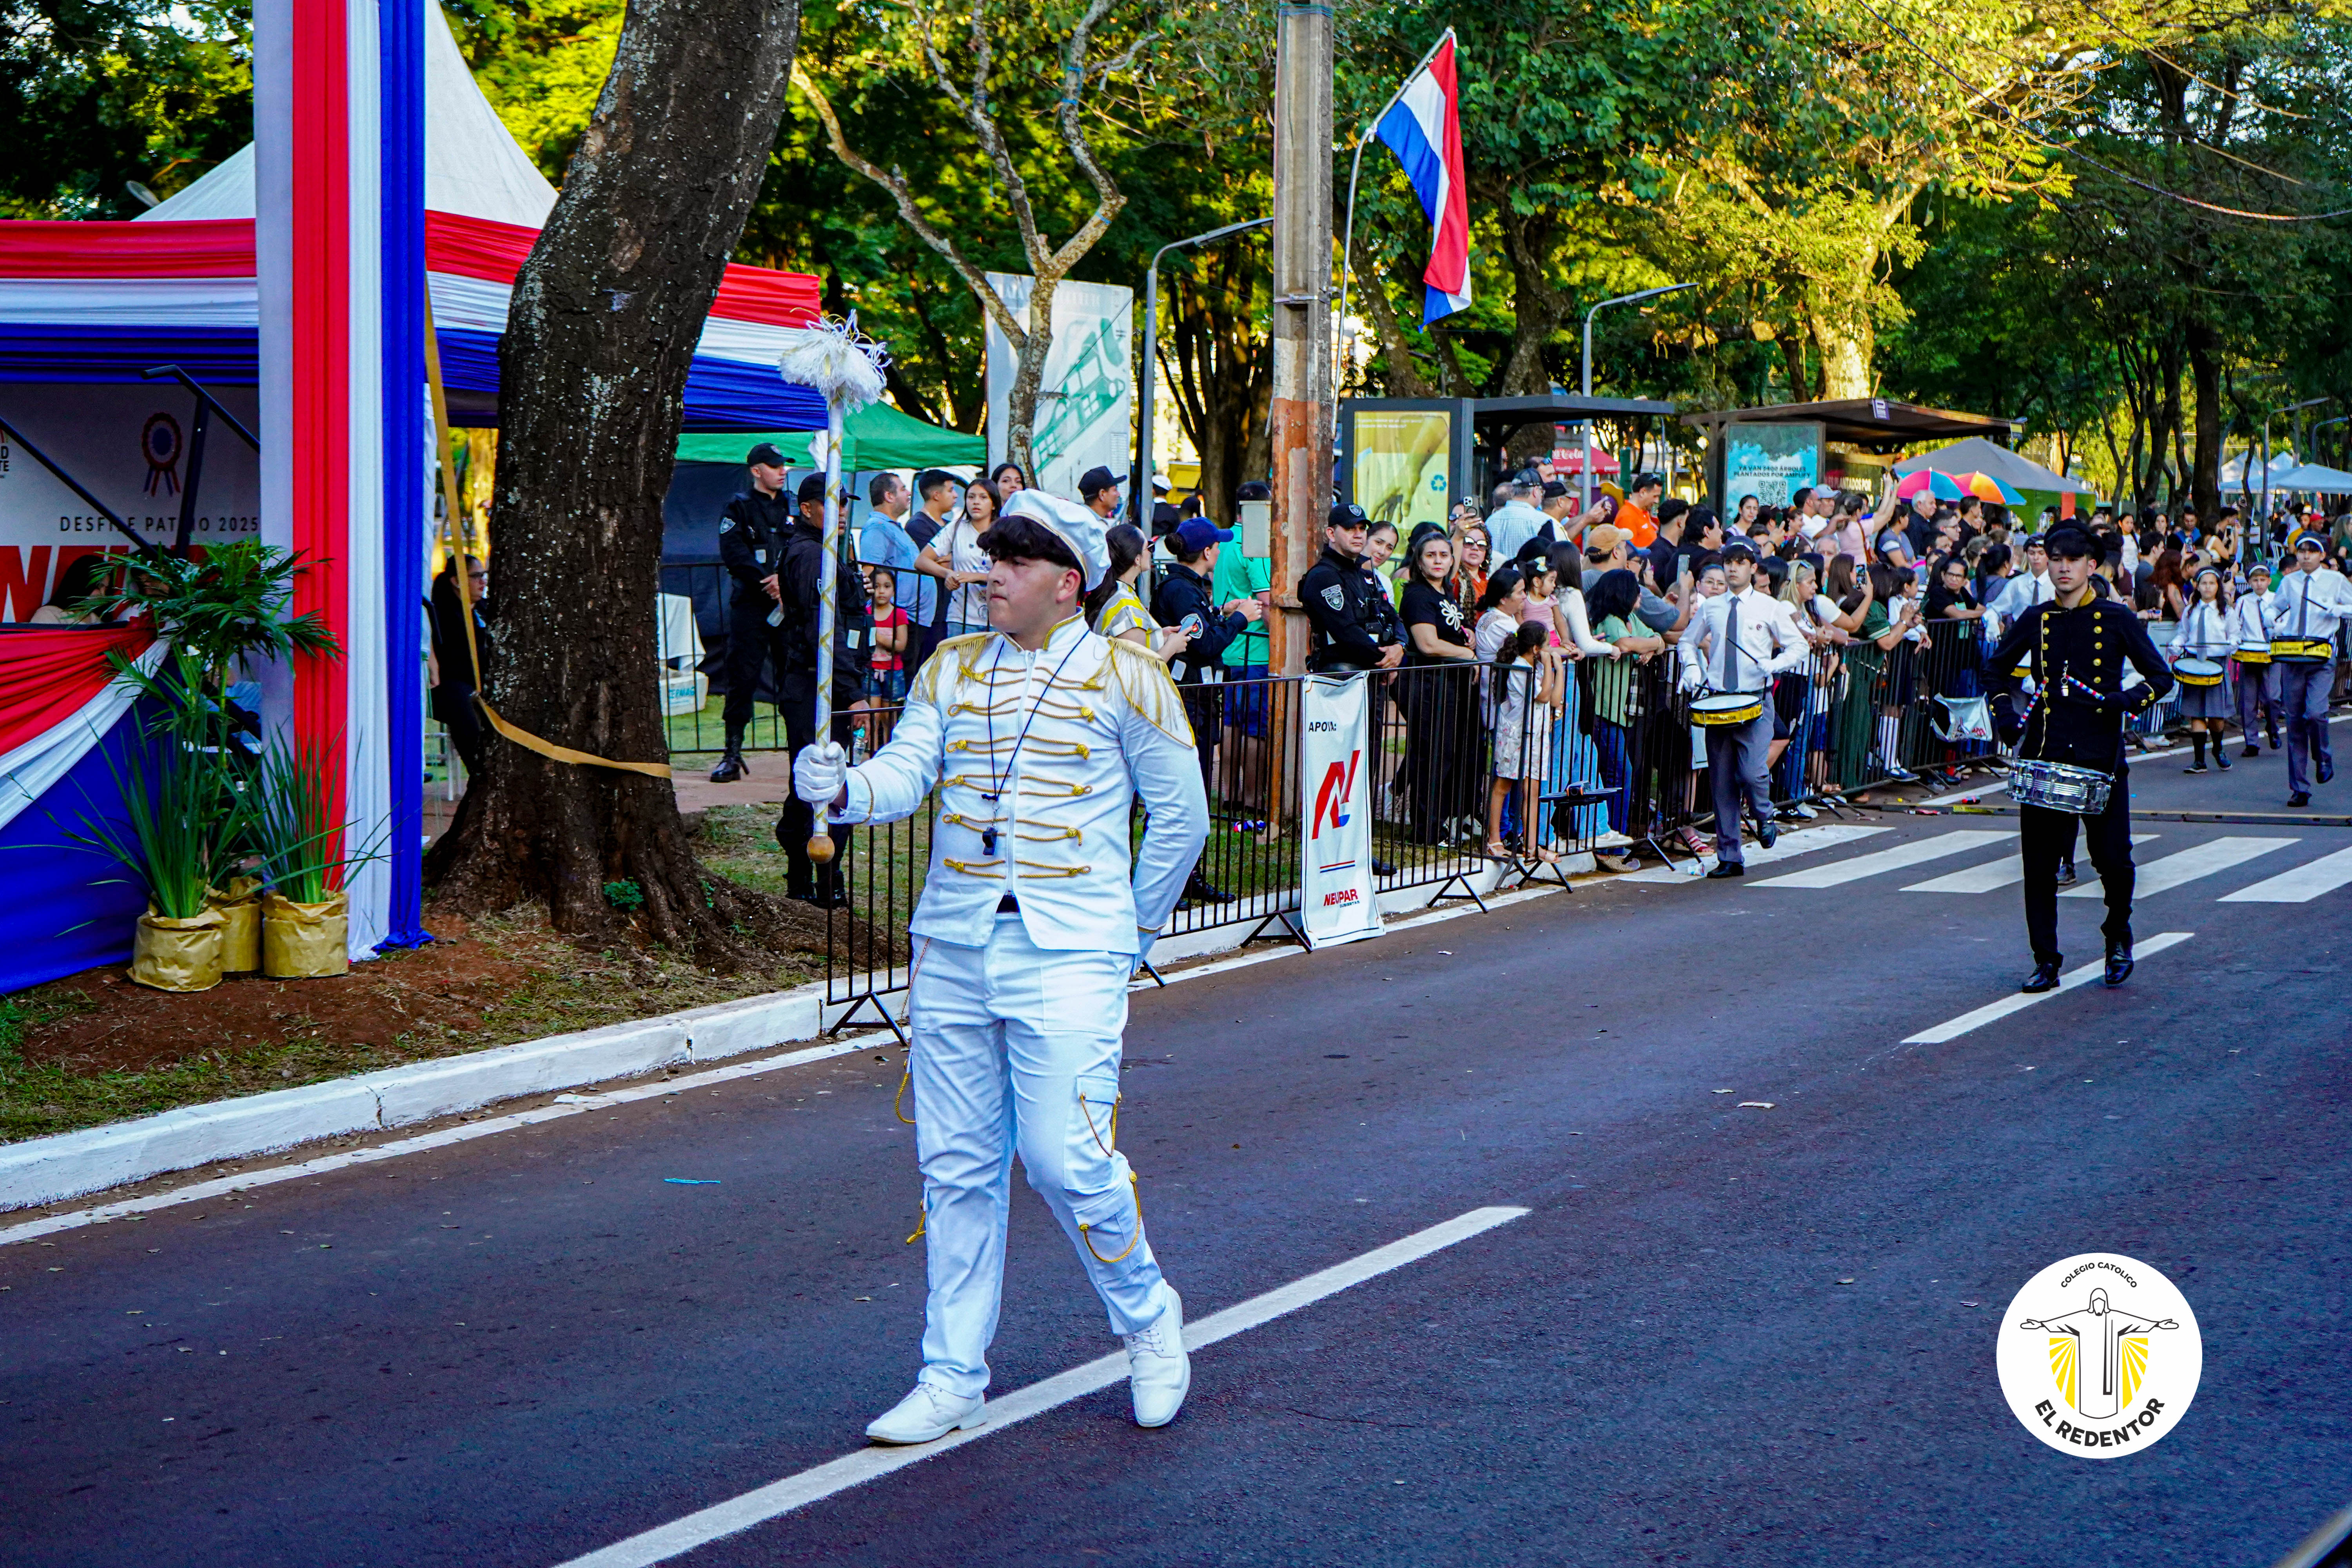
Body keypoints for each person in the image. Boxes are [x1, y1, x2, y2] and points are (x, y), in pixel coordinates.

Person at [789, 488, 1208, 1444]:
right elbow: (910, 769)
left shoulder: (1129, 675)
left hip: (1073, 950)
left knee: (1066, 1160)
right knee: (956, 1165)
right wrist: (844, 787)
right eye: (989, 557)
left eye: (1014, 563)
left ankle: (1148, 1318)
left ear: (1068, 582)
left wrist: (1129, 933)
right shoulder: (951, 665)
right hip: (956, 944)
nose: (992, 575)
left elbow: (1180, 817)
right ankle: (951, 1372)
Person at [1984, 523, 2174, 991]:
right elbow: (1994, 671)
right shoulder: (2037, 619)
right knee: (2040, 867)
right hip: (2046, 753)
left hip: (2100, 755)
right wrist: (2006, 717)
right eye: (2055, 558)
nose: (2063, 566)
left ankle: (2117, 936)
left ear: (2092, 566)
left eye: (2072, 559)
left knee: (2114, 860)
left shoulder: (2116, 618)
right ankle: (2046, 960)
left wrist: (2127, 701)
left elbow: (2160, 678)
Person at [1677, 539, 1808, 877]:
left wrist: (1776, 664)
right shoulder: (1711, 607)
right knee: (1721, 782)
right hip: (1719, 702)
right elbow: (1687, 642)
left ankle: (1764, 814)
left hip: (1756, 700)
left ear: (1753, 567)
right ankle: (1730, 856)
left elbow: (1799, 647)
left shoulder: (1770, 607)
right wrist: (1693, 669)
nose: (1733, 567)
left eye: (1741, 561)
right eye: (1728, 561)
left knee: (1752, 771)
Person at [772, 471, 874, 905]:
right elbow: (823, 632)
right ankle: (813, 883)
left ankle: (821, 883)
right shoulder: (812, 556)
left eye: (845, 506)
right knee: (821, 785)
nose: (841, 514)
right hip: (818, 686)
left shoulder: (827, 551)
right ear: (808, 507)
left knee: (824, 784)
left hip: (824, 682)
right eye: (831, 505)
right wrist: (852, 692)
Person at [1152, 517, 1264, 903]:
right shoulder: (1182, 589)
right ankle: (1174, 881)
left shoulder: (1189, 586)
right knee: (1181, 793)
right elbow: (1203, 645)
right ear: (1206, 552)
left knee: (1196, 791)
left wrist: (1220, 611)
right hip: (1186, 701)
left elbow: (1200, 629)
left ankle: (1192, 875)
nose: (1221, 549)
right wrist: (1239, 619)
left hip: (1197, 699)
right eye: (1218, 545)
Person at [710, 442, 799, 784]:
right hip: (751, 605)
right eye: (774, 466)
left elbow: (803, 547)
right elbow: (734, 553)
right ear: (756, 470)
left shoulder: (794, 507)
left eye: (783, 466)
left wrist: (785, 582)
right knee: (742, 678)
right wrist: (769, 582)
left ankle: (800, 753)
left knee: (793, 678)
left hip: (787, 607)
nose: (782, 471)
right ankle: (731, 754)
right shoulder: (739, 506)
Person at [1398, 530, 1481, 844]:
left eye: (1444, 555)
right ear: (1419, 562)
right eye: (1430, 555)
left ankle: (1441, 823)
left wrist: (1466, 634)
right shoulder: (1418, 595)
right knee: (1432, 756)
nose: (1438, 560)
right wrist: (1467, 654)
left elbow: (1446, 633)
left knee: (1449, 755)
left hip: (1451, 685)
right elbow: (1428, 643)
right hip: (1428, 683)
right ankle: (1426, 829)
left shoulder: (1445, 593)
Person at [2267, 530, 2352, 807]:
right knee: (2294, 723)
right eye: (2302, 551)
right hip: (2293, 654)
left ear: (2322, 555)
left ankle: (2323, 755)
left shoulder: (2335, 580)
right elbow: (2276, 608)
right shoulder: (2290, 581)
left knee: (2316, 712)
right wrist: (2271, 620)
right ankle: (2299, 787)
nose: (2305, 556)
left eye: (2311, 551)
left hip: (2321, 654)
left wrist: (2337, 609)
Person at [1484, 622, 1564, 863]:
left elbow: (1555, 699)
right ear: (1537, 648)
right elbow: (1541, 696)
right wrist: (1550, 666)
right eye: (1548, 645)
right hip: (1517, 736)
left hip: (1537, 737)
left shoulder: (1538, 667)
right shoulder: (1520, 667)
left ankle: (1531, 846)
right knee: (1504, 785)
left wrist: (1559, 670)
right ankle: (1494, 841)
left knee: (1533, 790)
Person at [1299, 503, 1405, 673]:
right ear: (1331, 534)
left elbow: (1392, 617)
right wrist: (1386, 661)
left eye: (1362, 529)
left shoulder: (1367, 575)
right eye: (1350, 529)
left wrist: (1400, 646)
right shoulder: (1324, 576)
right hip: (1340, 677)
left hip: (1371, 674)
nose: (1358, 535)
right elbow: (1347, 631)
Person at [860, 471, 937, 663]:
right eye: (903, 489)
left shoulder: (892, 527)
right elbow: (869, 571)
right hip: (902, 620)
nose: (909, 493)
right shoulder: (878, 527)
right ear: (889, 496)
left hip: (912, 619)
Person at [1086, 522, 1187, 661]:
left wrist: (1161, 636)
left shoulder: (1116, 592)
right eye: (1149, 548)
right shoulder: (1127, 608)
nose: (1152, 552)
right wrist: (1172, 647)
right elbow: (1139, 671)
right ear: (1137, 559)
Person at [428, 554, 490, 778]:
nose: (483, 582)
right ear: (456, 581)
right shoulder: (440, 613)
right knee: (461, 698)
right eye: (476, 577)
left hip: (483, 686)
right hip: (449, 688)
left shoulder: (486, 608)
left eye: (484, 576)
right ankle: (480, 773)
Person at [2169, 564, 2234, 773]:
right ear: (2197, 586)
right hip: (2194, 662)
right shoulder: (2190, 610)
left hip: (2216, 663)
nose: (2207, 588)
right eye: (2203, 584)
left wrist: (2232, 643)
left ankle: (2218, 749)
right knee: (2196, 713)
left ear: (2218, 587)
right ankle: (2199, 761)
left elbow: (2235, 635)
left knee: (2216, 715)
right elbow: (2184, 633)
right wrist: (2177, 644)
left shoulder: (2227, 611)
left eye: (2212, 584)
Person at [919, 475, 1000, 641]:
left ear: (993, 504)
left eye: (983, 497)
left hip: (999, 618)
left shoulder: (1004, 531)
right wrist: (947, 574)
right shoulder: (956, 528)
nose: (976, 502)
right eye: (971, 497)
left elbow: (1013, 575)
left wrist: (975, 577)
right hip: (961, 617)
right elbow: (922, 561)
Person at [2231, 561, 2283, 756]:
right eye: (2255, 580)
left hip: (2271, 653)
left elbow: (2284, 623)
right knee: (2248, 701)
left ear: (2269, 581)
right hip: (2249, 653)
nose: (2259, 584)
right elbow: (2236, 625)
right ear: (2250, 582)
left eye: (2263, 580)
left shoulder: (2277, 600)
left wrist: (2276, 630)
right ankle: (2251, 742)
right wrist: (2235, 641)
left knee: (2272, 697)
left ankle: (2272, 727)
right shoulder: (2244, 601)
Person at [1482, 469, 1550, 564]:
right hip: (1526, 577)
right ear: (1535, 491)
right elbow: (1551, 558)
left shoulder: (1491, 520)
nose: (1542, 496)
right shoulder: (1542, 521)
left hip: (1492, 577)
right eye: (1542, 492)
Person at [1616, 472, 1663, 550]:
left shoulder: (1642, 512)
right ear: (1643, 492)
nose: (1657, 501)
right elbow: (1628, 553)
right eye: (1655, 496)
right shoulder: (1627, 516)